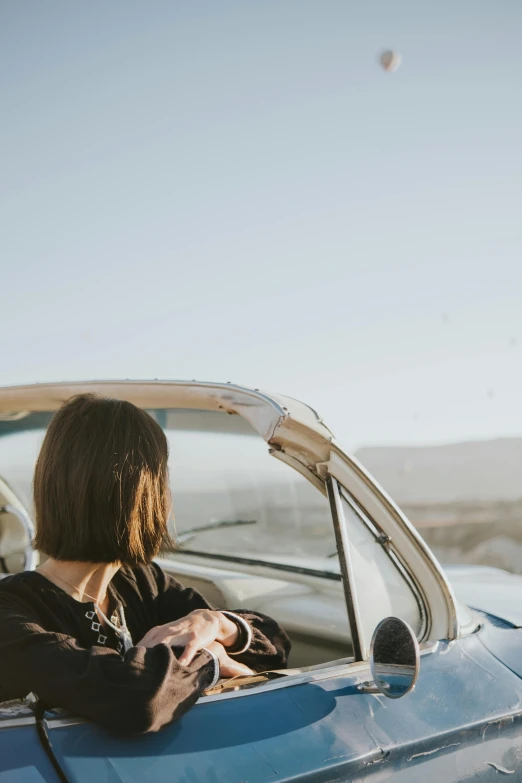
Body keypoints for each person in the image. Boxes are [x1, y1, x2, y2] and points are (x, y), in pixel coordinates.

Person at [0, 394, 290, 735]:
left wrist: (218, 624)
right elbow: (136, 700)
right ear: (138, 493)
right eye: (161, 478)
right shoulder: (10, 612)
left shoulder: (141, 581)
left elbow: (275, 648)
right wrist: (209, 659)